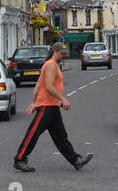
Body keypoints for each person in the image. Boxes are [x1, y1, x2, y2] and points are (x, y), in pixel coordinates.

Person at [13, 42, 91, 173]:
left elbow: (38, 85)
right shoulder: (50, 65)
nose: (64, 55)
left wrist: (34, 102)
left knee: (61, 136)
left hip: (52, 106)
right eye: (62, 53)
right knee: (33, 133)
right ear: (55, 51)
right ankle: (19, 159)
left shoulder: (51, 65)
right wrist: (63, 99)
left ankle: (76, 160)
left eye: (65, 53)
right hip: (46, 106)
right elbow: (48, 86)